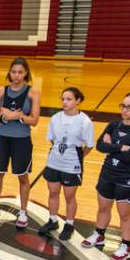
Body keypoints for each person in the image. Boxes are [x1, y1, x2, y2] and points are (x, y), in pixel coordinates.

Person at [81, 91, 130, 260]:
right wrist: (120, 147)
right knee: (103, 207)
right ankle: (99, 234)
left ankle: (127, 246)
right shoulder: (113, 125)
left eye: (129, 107)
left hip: (127, 178)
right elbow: (99, 146)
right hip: (107, 173)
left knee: (125, 214)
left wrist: (111, 145)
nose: (125, 110)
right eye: (123, 106)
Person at [0, 58, 41, 228]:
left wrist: (18, 117)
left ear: (26, 74)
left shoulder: (32, 92)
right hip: (1, 138)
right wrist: (3, 116)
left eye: (20, 72)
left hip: (22, 140)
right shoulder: (1, 91)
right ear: (9, 73)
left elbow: (35, 120)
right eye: (14, 72)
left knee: (22, 176)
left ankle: (23, 212)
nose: (16, 76)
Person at [38, 87, 94, 240]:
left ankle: (69, 224)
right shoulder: (55, 117)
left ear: (78, 101)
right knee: (53, 192)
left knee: (69, 196)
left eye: (69, 99)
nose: (64, 102)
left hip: (72, 164)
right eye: (63, 99)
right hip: (54, 161)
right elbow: (51, 138)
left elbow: (89, 145)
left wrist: (76, 157)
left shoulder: (85, 122)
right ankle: (53, 220)